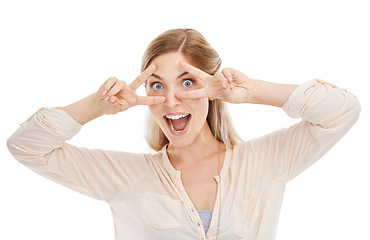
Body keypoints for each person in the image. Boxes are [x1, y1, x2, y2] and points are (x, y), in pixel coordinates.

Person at [7, 28, 361, 240]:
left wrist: (251, 91)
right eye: (157, 85)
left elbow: (342, 111)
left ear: (212, 89)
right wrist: (97, 106)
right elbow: (26, 146)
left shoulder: (266, 161)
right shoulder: (125, 176)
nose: (171, 99)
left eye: (188, 82)